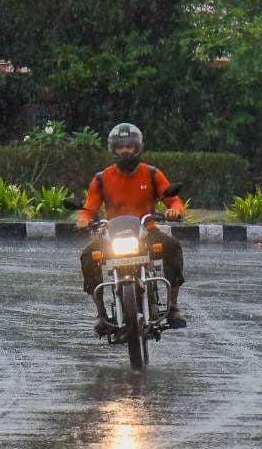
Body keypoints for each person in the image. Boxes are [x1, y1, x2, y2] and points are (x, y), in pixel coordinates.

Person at [77, 122, 187, 333]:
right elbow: (89, 208)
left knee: (172, 246)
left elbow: (173, 200)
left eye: (129, 146)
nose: (125, 150)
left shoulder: (152, 173)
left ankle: (173, 306)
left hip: (146, 232)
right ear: (113, 149)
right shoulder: (102, 178)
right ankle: (101, 314)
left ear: (138, 147)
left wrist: (175, 210)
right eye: (120, 147)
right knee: (88, 256)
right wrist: (83, 219)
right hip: (112, 235)